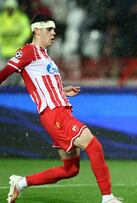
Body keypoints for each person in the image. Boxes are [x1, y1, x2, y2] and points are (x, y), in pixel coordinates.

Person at [0, 15, 122, 203]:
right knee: (94, 145)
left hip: (60, 110)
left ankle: (21, 183)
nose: (54, 33)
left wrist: (63, 90)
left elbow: (43, 84)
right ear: (36, 30)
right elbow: (5, 72)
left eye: (54, 29)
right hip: (54, 113)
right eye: (49, 29)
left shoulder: (44, 56)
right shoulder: (28, 51)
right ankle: (108, 198)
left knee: (71, 169)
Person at [0, 0, 31, 86]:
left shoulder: (21, 17)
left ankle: (14, 87)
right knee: (5, 72)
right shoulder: (1, 18)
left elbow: (26, 30)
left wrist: (19, 40)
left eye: (12, 8)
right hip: (4, 50)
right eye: (8, 8)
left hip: (16, 49)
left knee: (15, 71)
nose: (10, 10)